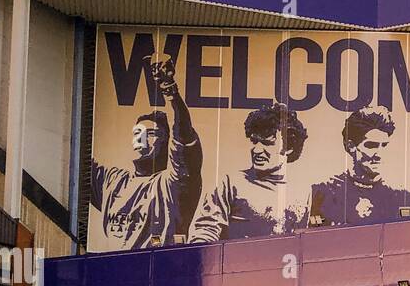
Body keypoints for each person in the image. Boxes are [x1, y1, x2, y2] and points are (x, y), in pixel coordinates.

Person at [91, 54, 202, 248]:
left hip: (160, 274)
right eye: (137, 132)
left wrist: (170, 91)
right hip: (114, 275)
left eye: (150, 133)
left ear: (166, 141)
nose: (140, 138)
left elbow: (183, 137)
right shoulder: (113, 182)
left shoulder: (173, 183)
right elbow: (76, 163)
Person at [189, 103, 310, 240]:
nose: (257, 150)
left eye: (267, 143)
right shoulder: (230, 182)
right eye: (254, 141)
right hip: (239, 261)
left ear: (289, 148)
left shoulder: (303, 190)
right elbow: (204, 232)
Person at [309, 106, 410, 225]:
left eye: (384, 145)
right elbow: (313, 238)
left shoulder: (405, 196)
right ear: (350, 146)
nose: (379, 154)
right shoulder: (323, 192)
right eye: (371, 145)